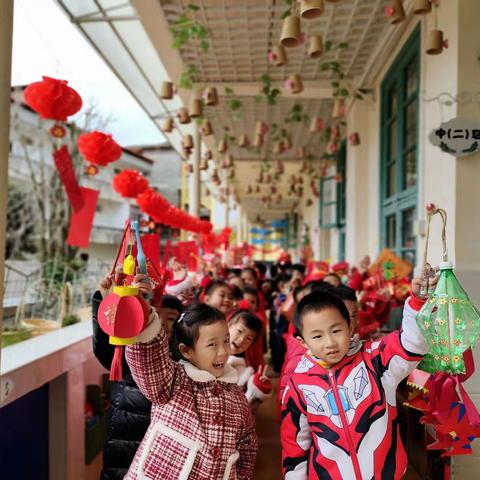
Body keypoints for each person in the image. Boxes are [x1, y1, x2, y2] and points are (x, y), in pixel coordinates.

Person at [281, 276, 432, 480]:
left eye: (336, 330)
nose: (330, 343)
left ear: (350, 328)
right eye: (317, 336)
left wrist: (417, 302)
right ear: (303, 341)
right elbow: (295, 446)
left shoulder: (375, 360)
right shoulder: (297, 383)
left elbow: (411, 346)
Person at [124, 303, 258, 479]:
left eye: (226, 341)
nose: (223, 352)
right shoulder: (172, 380)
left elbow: (248, 445)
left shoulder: (236, 394)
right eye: (212, 344)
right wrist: (142, 312)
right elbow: (148, 359)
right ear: (186, 351)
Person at [92, 274, 183, 480]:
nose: (161, 324)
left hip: (164, 448)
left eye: (169, 319)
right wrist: (107, 301)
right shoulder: (129, 352)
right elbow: (104, 348)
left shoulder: (183, 365)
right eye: (154, 316)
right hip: (122, 444)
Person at [227, 309, 272, 404]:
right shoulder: (204, 355)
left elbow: (243, 404)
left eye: (249, 338)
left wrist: (257, 387)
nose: (242, 339)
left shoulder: (244, 373)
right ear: (228, 325)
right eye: (239, 331)